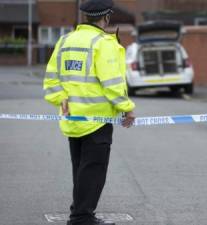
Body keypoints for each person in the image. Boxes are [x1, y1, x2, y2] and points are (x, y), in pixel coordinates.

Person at [43, 0, 135, 224]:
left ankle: (81, 212)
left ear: (85, 16)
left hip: (72, 119)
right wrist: (127, 108)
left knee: (81, 170)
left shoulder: (65, 40)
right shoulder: (103, 43)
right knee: (93, 170)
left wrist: (61, 100)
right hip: (97, 120)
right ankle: (81, 217)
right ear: (106, 17)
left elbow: (51, 80)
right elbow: (112, 83)